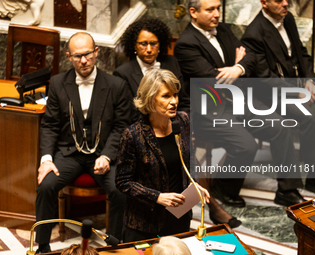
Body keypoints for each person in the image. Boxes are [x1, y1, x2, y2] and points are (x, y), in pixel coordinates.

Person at [174, 0, 305, 208]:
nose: (217, 14)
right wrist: (238, 65)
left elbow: (251, 57)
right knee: (246, 145)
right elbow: (213, 80)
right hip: (209, 109)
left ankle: (287, 190)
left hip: (237, 99)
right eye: (210, 10)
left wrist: (237, 68)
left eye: (218, 8)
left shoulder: (223, 29)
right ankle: (223, 188)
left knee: (280, 126)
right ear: (193, 12)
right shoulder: (186, 44)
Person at [35, 32, 131, 253]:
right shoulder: (58, 83)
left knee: (119, 190)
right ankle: (43, 246)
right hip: (70, 153)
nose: (84, 61)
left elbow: (122, 126)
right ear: (69, 56)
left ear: (96, 52)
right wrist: (46, 159)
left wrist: (107, 156)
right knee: (46, 186)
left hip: (103, 152)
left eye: (88, 54)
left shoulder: (116, 85)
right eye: (78, 56)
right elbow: (49, 125)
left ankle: (114, 245)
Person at [241, 0, 315, 196]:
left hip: (300, 82)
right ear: (264, 3)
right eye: (278, 0)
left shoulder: (288, 18)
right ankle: (314, 179)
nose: (286, 4)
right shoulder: (253, 34)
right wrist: (296, 94)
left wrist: (309, 80)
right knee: (310, 118)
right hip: (274, 93)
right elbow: (264, 78)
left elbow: (302, 54)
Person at [115, 69, 210, 242]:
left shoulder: (183, 120)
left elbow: (189, 159)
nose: (174, 101)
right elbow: (123, 182)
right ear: (151, 99)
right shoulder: (133, 135)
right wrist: (157, 197)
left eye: (175, 95)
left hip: (179, 214)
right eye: (166, 96)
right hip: (145, 223)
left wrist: (194, 184)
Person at [113, 18, 190, 123]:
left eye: (153, 43)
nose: (149, 49)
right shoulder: (122, 73)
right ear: (134, 45)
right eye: (143, 44)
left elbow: (184, 101)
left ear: (160, 44)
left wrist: (183, 123)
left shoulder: (171, 62)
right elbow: (129, 114)